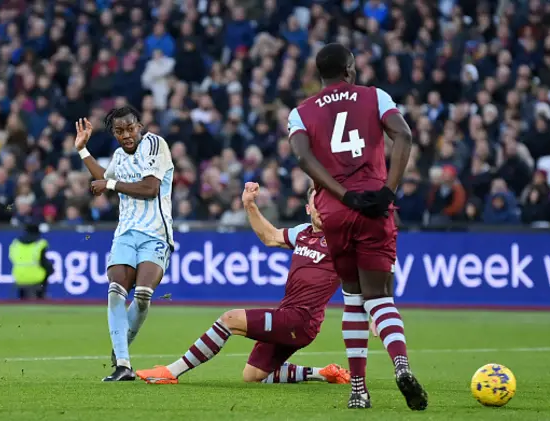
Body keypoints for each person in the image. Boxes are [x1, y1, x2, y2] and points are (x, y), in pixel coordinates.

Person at [288, 43, 427, 410]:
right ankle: (400, 367)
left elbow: (303, 157)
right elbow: (405, 136)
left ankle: (359, 391)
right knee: (379, 295)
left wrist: (341, 195)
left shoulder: (300, 112)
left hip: (334, 210)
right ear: (350, 68)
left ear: (320, 73)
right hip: (375, 205)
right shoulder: (375, 96)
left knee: (352, 297)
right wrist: (388, 190)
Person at [135, 183, 351, 386]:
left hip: (300, 320)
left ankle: (171, 372)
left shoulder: (340, 240)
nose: (324, 208)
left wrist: (374, 313)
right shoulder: (302, 232)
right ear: (308, 208)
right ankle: (322, 373)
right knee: (253, 375)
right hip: (288, 316)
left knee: (230, 319)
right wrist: (250, 204)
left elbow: (368, 269)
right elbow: (271, 237)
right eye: (318, 202)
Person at [74, 107, 174, 382]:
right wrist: (83, 150)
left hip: (155, 234)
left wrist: (110, 184)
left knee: (142, 295)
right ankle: (122, 363)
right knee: (116, 289)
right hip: (125, 234)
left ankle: (120, 349)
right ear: (114, 134)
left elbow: (150, 188)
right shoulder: (119, 156)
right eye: (120, 131)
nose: (127, 135)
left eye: (130, 128)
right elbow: (103, 177)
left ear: (139, 126)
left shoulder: (154, 144)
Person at [9, 223, 53, 300]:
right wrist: (51, 270)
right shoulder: (39, 244)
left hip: (19, 277)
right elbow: (44, 263)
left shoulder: (15, 243)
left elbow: (12, 258)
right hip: (36, 278)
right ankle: (41, 296)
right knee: (48, 270)